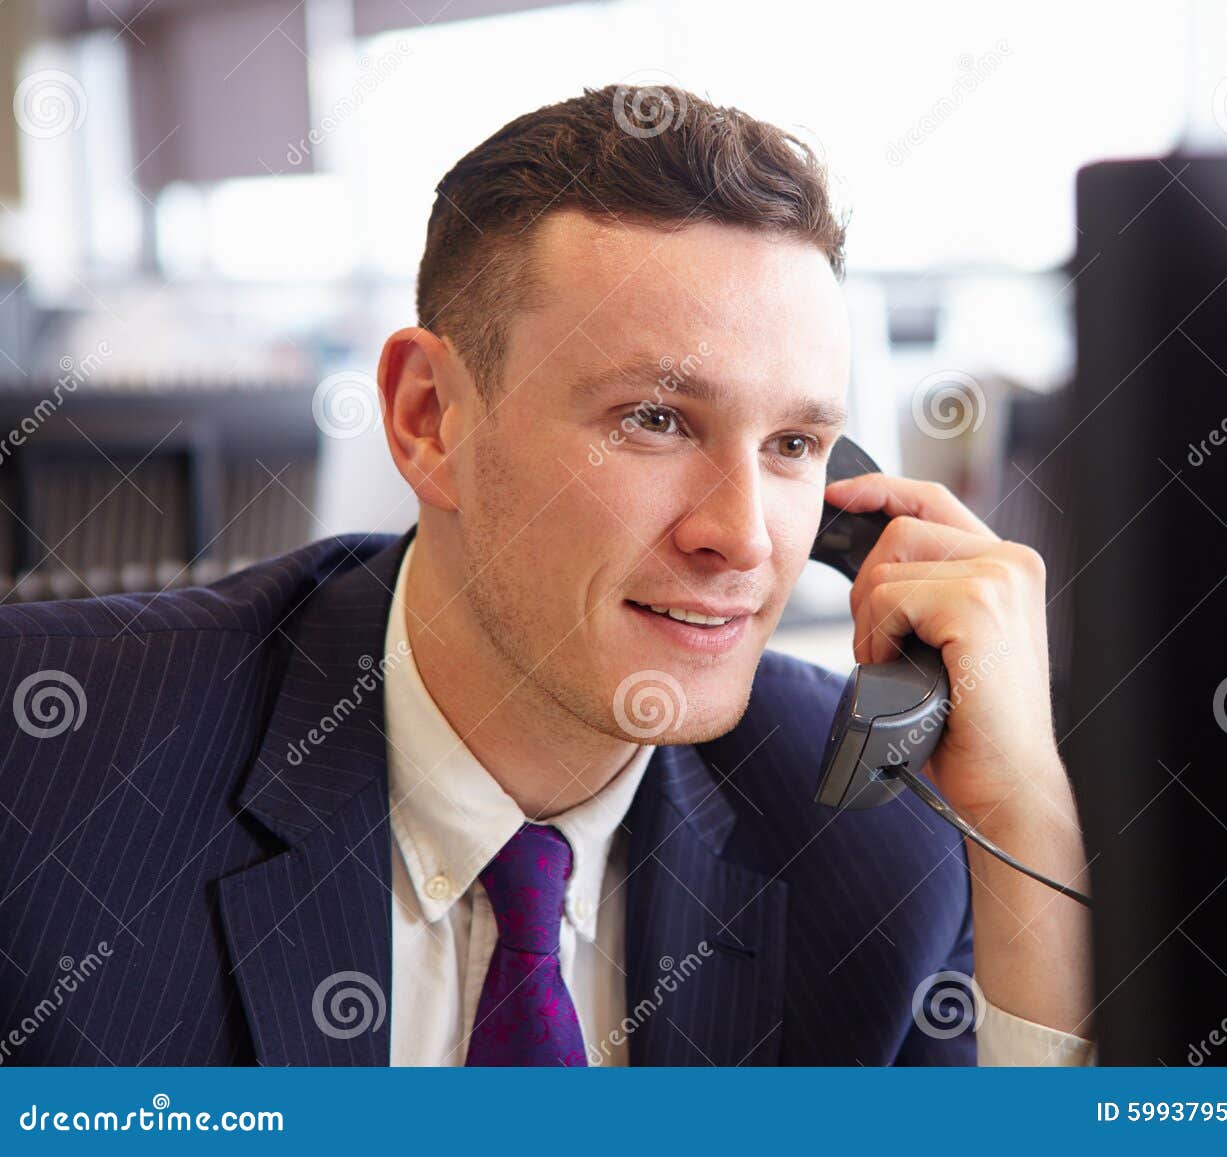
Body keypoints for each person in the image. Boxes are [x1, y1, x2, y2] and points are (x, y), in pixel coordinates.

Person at [0, 84, 1091, 1066]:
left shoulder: (875, 837)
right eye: (655, 419)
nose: (745, 536)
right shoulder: (45, 768)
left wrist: (1026, 813)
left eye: (794, 445)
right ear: (429, 419)